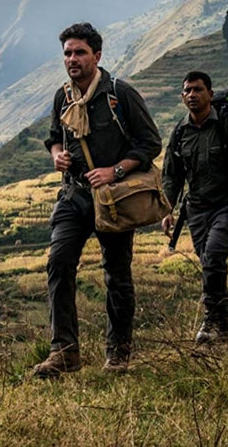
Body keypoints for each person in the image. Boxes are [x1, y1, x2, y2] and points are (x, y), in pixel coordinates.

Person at [32, 22, 162, 377]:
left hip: (113, 199)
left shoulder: (120, 94)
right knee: (59, 265)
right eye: (67, 53)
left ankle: (118, 355)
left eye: (79, 52)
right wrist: (56, 154)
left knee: (116, 276)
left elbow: (151, 143)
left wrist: (115, 171)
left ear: (97, 56)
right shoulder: (63, 97)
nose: (72, 59)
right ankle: (64, 352)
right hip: (73, 195)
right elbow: (53, 138)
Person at [161, 71, 228, 343]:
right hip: (196, 210)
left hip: (226, 206)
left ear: (209, 93)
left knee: (214, 257)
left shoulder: (226, 126)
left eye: (198, 90)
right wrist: (166, 211)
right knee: (209, 264)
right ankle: (223, 327)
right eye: (187, 91)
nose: (192, 95)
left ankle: (211, 320)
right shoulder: (180, 132)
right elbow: (172, 176)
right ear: (182, 97)